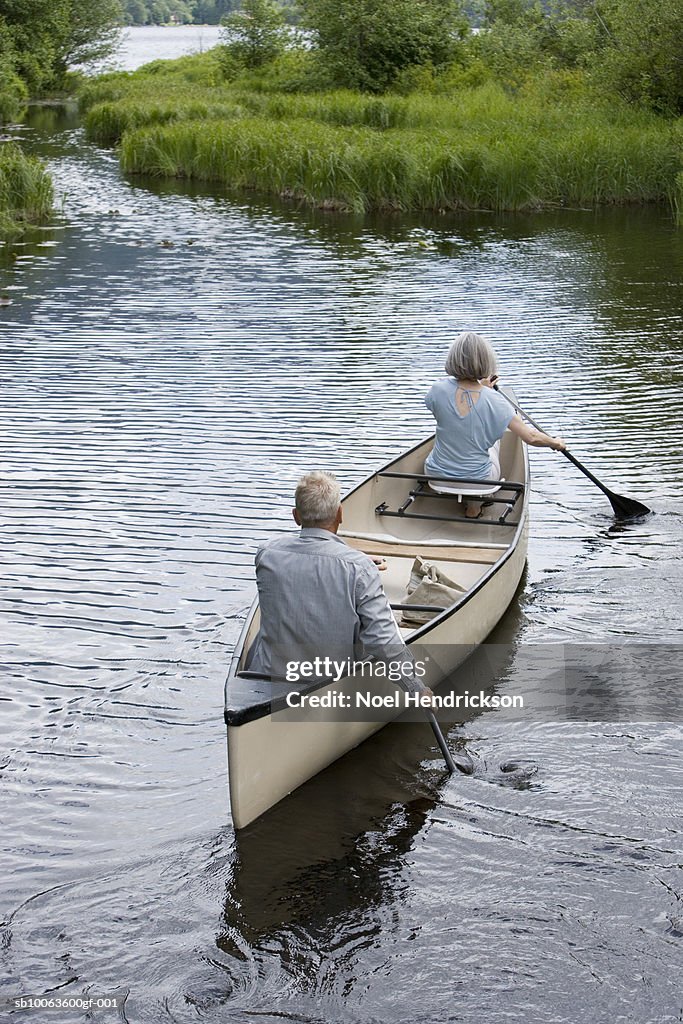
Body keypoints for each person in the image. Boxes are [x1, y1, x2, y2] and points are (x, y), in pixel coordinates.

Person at [247, 471, 427, 695]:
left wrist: (353, 559)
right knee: (380, 626)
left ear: (296, 516)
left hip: (269, 676)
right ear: (340, 513)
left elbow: (311, 565)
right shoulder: (360, 568)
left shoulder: (267, 554)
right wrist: (416, 688)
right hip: (328, 682)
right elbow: (382, 640)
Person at [424, 331, 565, 517]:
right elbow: (530, 437)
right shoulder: (496, 401)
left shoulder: (437, 390)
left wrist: (482, 389)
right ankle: (474, 507)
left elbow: (455, 417)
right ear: (486, 362)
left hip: (436, 476)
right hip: (479, 481)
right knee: (494, 441)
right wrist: (556, 443)